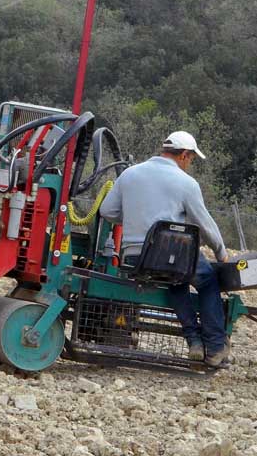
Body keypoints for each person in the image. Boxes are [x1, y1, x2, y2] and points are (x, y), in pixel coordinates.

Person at [98, 131, 231, 366]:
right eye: (191, 159)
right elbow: (205, 224)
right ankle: (215, 347)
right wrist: (220, 252)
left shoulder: (130, 174)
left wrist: (133, 219)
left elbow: (107, 211)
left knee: (176, 282)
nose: (189, 164)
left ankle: (194, 342)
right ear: (185, 155)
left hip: (133, 257)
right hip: (170, 257)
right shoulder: (186, 183)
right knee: (208, 280)